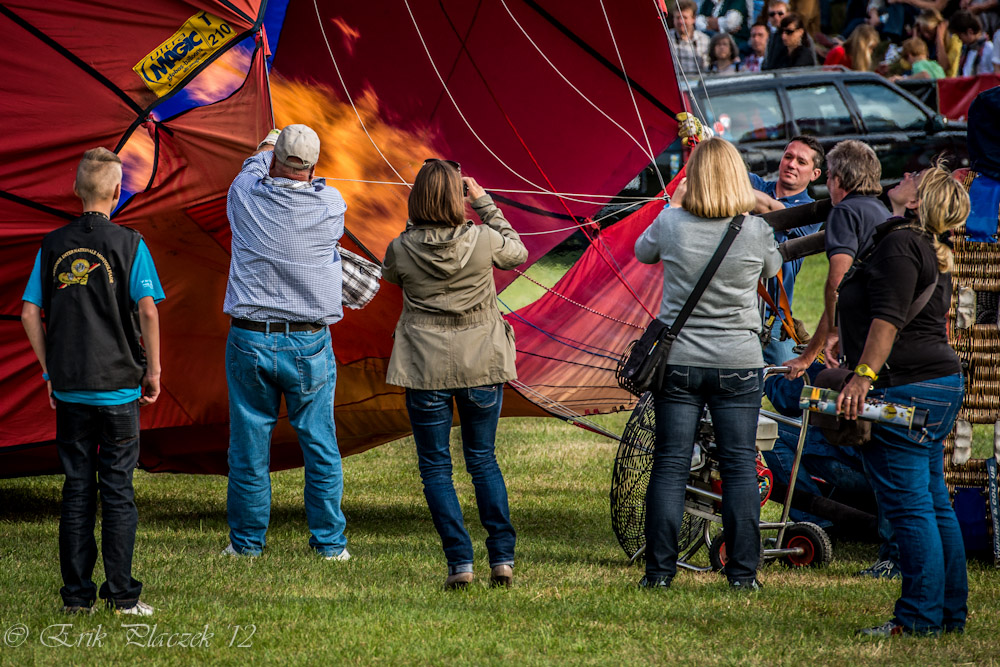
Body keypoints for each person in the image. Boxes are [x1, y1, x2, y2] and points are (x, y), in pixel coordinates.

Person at [21, 147, 164, 616]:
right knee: (118, 490)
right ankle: (123, 597)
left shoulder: (52, 244)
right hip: (121, 387)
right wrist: (154, 371)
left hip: (71, 387)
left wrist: (48, 370)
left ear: (76, 190)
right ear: (118, 192)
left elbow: (29, 314)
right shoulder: (131, 244)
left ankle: (76, 598)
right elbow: (147, 309)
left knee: (77, 490)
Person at [635, 137, 782, 591]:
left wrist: (675, 201)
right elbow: (774, 269)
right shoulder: (754, 230)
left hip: (679, 360)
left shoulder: (673, 224)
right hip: (738, 360)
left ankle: (659, 574)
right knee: (739, 465)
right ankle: (742, 575)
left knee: (671, 463)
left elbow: (643, 251)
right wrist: (761, 202)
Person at [382, 159, 527, 590]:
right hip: (482, 363)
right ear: (458, 198)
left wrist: (416, 223)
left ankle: (459, 563)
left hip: (424, 369)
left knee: (435, 469)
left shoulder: (401, 248)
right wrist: (484, 203)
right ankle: (501, 558)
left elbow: (392, 275)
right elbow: (516, 250)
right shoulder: (485, 240)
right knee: (483, 460)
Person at [839, 164, 970, 637]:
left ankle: (917, 619)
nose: (908, 174)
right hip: (938, 383)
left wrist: (861, 377)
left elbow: (888, 321)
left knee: (912, 507)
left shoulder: (901, 244)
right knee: (933, 503)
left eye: (917, 177)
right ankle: (948, 614)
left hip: (906, 385)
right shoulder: (927, 247)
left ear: (917, 202)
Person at [222, 125, 351, 561]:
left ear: (274, 159)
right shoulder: (332, 205)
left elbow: (251, 166)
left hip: (250, 339)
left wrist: (267, 143)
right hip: (309, 343)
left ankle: (246, 546)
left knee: (249, 448)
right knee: (319, 444)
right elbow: (305, 179)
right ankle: (331, 546)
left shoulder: (244, 194)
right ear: (313, 167)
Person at [787, 140, 889, 379]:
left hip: (860, 332)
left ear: (839, 180)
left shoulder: (844, 212)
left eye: (829, 176)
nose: (828, 183)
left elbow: (837, 283)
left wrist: (832, 332)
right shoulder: (878, 210)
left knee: (799, 389)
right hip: (880, 326)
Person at [748, 136, 825, 366]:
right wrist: (702, 141)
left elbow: (771, 209)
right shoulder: (757, 185)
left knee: (788, 384)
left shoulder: (810, 212)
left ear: (815, 174)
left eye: (801, 162)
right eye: (788, 157)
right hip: (731, 307)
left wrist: (735, 187)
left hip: (772, 319)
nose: (791, 164)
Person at [670, 0, 712, 74]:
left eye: (685, 17)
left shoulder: (705, 40)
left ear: (693, 19)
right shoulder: (666, 39)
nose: (681, 21)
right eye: (678, 17)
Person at [951, 10, 996, 74]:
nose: (960, 40)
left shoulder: (988, 48)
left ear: (970, 32)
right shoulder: (966, 50)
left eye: (960, 36)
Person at [762, 1, 790, 68]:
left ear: (788, 14)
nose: (776, 17)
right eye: (772, 14)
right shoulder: (773, 36)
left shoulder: (794, 34)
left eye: (780, 13)